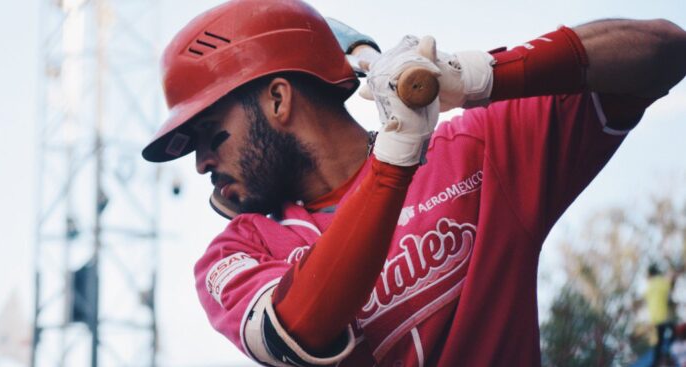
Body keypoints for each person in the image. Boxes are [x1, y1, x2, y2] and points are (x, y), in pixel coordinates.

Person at [142, 0, 686, 365]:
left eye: (212, 137)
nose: (200, 166)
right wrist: (396, 156)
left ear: (279, 100)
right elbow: (300, 327)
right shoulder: (235, 252)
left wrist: (482, 76)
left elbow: (663, 50)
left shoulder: (474, 151)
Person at [646, 264, 679, 366]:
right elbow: (670, 286)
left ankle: (658, 360)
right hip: (664, 317)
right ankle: (667, 352)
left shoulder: (649, 286)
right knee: (675, 334)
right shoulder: (661, 281)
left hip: (654, 320)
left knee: (657, 346)